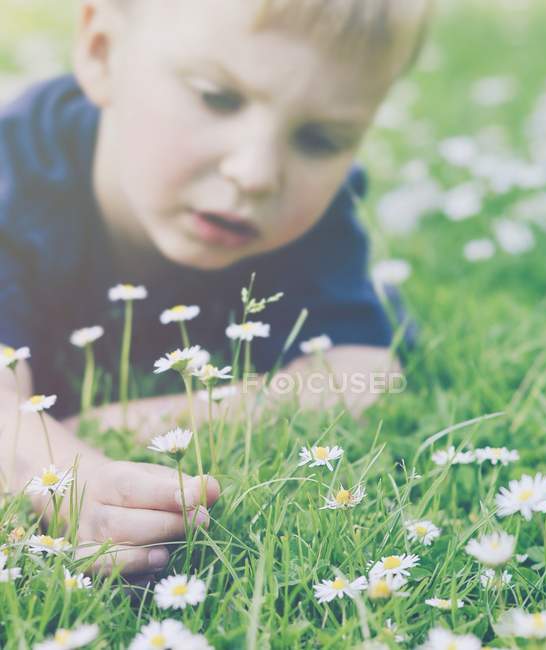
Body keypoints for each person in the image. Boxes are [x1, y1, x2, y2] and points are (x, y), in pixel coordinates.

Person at [0, 0, 431, 577]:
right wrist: (68, 475)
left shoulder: (313, 222)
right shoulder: (20, 173)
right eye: (216, 98)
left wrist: (119, 423)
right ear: (103, 54)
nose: (256, 173)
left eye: (321, 140)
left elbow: (366, 371)